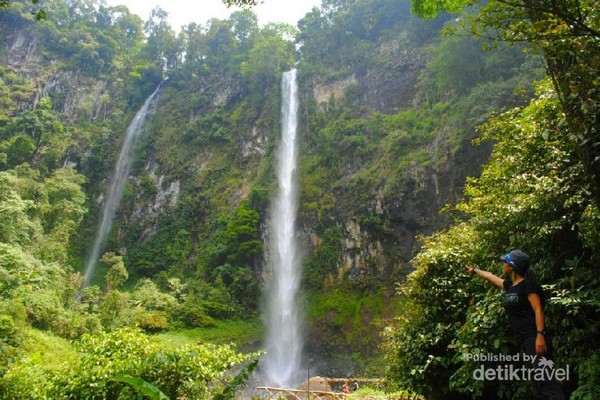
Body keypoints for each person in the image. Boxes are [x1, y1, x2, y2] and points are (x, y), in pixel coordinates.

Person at [466, 249, 565, 399]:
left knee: (546, 381)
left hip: (534, 338)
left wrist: (540, 335)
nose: (502, 264)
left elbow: (538, 310)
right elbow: (491, 277)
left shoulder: (528, 285)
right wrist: (474, 270)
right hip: (525, 341)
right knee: (537, 383)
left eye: (504, 261)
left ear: (512, 266)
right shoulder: (511, 286)